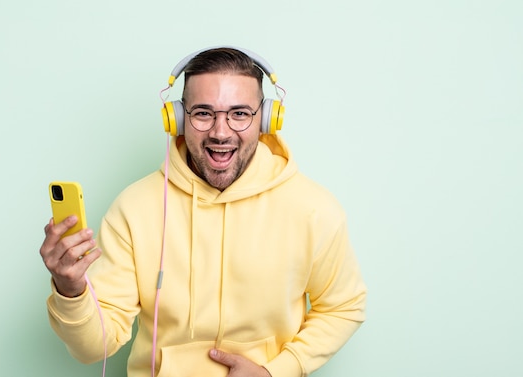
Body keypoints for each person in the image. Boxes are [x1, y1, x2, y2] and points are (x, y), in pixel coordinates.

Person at [40, 47, 367, 377]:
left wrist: (277, 371)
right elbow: (94, 348)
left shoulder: (313, 208)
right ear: (178, 119)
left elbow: (344, 306)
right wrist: (71, 291)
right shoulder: (134, 208)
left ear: (266, 119)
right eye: (203, 113)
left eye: (239, 114)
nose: (220, 132)